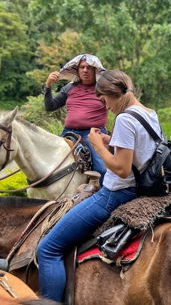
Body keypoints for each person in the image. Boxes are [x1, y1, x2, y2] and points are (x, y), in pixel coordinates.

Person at [37, 70, 162, 302]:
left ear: (111, 94)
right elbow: (140, 152)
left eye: (104, 101)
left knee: (47, 250)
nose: (105, 107)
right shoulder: (148, 113)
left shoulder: (125, 118)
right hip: (142, 188)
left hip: (115, 194)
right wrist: (110, 140)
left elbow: (122, 168)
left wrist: (97, 144)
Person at [44, 54, 108, 182]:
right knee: (50, 164)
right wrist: (48, 85)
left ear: (95, 70)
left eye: (89, 67)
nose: (85, 70)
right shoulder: (70, 87)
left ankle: (104, 196)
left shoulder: (103, 89)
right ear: (77, 70)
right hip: (68, 132)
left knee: (101, 169)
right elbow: (50, 106)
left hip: (93, 134)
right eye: (82, 67)